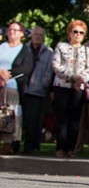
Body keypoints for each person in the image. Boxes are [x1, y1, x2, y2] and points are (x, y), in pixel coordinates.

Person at [51, 20, 89, 158]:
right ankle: (60, 147)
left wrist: (81, 79)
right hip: (62, 86)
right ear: (69, 33)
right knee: (62, 117)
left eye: (81, 32)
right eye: (75, 31)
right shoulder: (61, 47)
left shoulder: (87, 50)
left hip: (78, 88)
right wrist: (72, 77)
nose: (78, 35)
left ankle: (71, 148)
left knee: (75, 119)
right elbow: (56, 65)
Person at [0, 21, 33, 153]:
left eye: (15, 30)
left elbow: (26, 68)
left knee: (10, 115)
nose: (12, 32)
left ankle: (8, 144)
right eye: (10, 30)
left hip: (12, 87)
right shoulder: (2, 46)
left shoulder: (25, 50)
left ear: (21, 34)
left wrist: (6, 75)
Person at [22, 26, 54, 154]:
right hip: (23, 88)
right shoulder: (24, 49)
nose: (38, 37)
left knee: (35, 119)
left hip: (38, 90)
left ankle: (33, 145)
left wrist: (43, 85)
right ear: (31, 35)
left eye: (41, 35)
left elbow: (49, 71)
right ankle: (15, 144)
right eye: (36, 34)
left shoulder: (48, 52)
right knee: (21, 118)